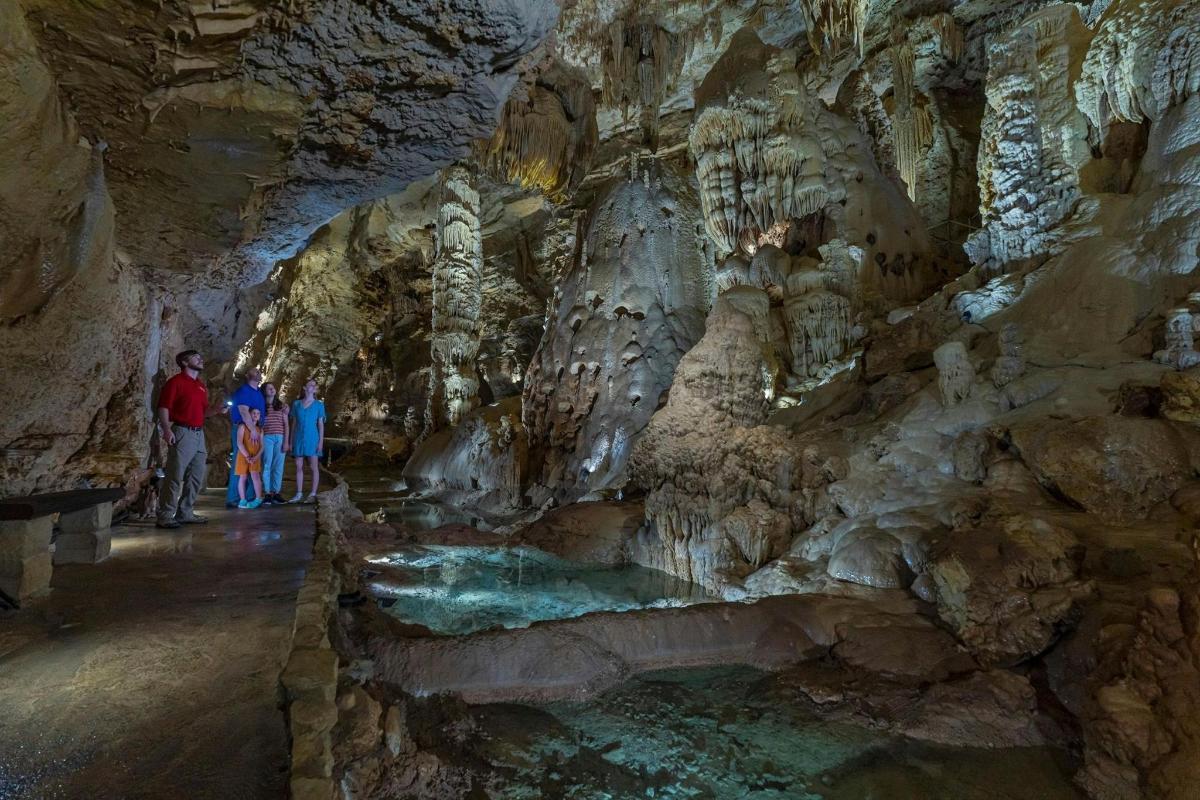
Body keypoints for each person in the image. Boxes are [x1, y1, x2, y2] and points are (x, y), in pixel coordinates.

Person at [155, 350, 209, 529]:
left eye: (199, 356)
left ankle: (185, 512)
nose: (200, 358)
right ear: (185, 363)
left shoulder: (200, 386)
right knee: (175, 475)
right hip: (182, 431)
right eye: (196, 357)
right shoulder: (175, 382)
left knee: (196, 476)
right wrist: (166, 429)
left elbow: (203, 412)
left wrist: (217, 410)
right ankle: (165, 514)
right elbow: (164, 407)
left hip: (199, 434)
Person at [226, 367, 266, 508]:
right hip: (246, 429)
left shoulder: (258, 392)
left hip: (255, 429)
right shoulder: (244, 390)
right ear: (247, 375)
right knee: (240, 464)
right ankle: (234, 498)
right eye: (254, 371)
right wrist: (252, 429)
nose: (258, 373)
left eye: (259, 372)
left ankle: (251, 497)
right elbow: (243, 411)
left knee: (253, 464)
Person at [289, 378, 326, 503]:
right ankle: (298, 493)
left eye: (315, 385)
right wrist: (290, 441)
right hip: (298, 437)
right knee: (298, 466)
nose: (313, 387)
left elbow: (320, 425)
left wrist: (320, 442)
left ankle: (313, 493)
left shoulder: (319, 405)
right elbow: (293, 424)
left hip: (312, 438)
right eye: (311, 385)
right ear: (305, 388)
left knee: (313, 466)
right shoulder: (296, 404)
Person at [260, 382, 290, 504]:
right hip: (267, 437)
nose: (272, 390)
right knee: (267, 464)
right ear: (264, 391)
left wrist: (286, 442)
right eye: (269, 388)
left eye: (273, 388)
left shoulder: (281, 406)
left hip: (280, 437)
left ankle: (276, 492)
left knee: (278, 466)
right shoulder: (261, 406)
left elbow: (286, 424)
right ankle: (267, 493)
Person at [235, 408, 265, 509]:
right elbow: (239, 442)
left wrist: (256, 457)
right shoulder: (242, 426)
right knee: (242, 477)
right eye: (254, 413)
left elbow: (262, 446)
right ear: (249, 414)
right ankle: (242, 499)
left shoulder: (260, 430)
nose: (256, 415)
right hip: (243, 455)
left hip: (255, 456)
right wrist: (247, 456)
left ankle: (258, 498)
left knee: (255, 476)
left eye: (258, 413)